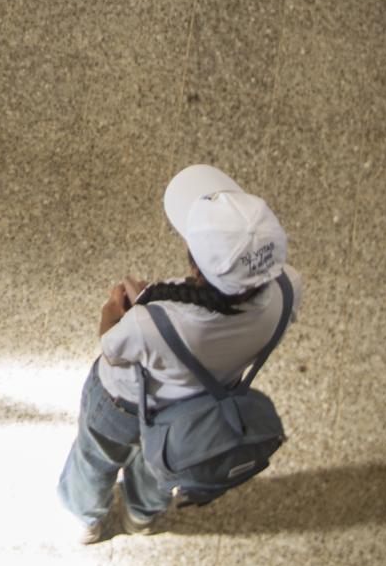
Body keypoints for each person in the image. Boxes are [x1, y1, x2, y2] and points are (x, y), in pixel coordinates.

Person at [60, 166, 300, 543]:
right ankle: (141, 518)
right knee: (160, 472)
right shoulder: (289, 291)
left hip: (122, 405)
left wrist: (119, 308)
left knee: (96, 461)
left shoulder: (152, 320)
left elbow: (111, 348)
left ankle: (88, 520)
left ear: (195, 266)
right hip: (196, 416)